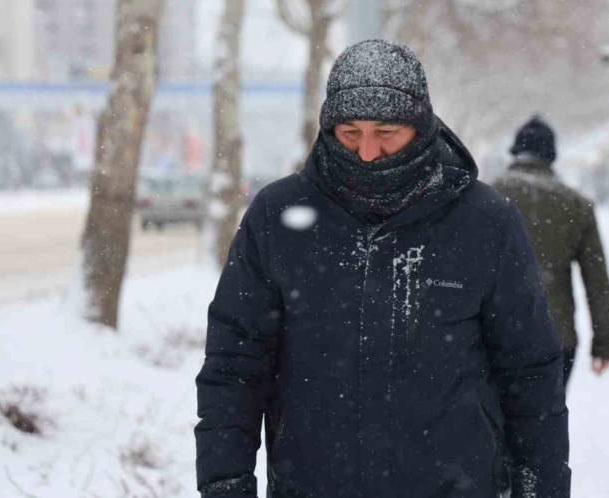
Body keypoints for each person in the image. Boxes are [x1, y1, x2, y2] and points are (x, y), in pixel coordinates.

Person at [195, 41, 570, 498]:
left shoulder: (486, 223)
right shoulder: (277, 217)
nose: (366, 152)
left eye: (386, 131)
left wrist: (542, 488)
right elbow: (234, 366)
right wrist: (226, 484)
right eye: (350, 132)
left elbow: (530, 374)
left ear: (421, 125)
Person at [492, 116, 609, 388]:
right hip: (556, 336)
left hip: (495, 334)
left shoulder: (488, 196)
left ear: (515, 151)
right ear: (551, 156)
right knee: (545, 424)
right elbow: (597, 282)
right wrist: (604, 343)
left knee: (493, 424)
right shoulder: (576, 205)